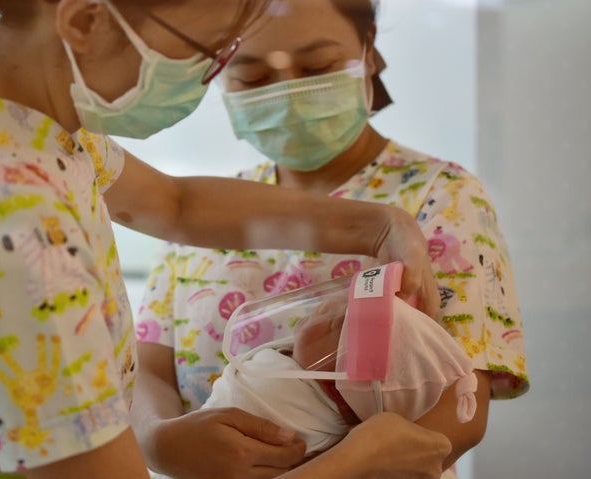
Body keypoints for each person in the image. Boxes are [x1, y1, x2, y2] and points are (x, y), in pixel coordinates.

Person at [0, 0, 452, 478]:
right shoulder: (18, 245)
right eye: (209, 54)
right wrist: (354, 464)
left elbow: (173, 204)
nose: (205, 78)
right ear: (85, 20)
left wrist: (376, 224)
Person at [132, 0, 530, 478]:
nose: (288, 93)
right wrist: (156, 439)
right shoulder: (206, 213)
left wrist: (346, 467)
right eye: (253, 78)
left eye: (317, 67)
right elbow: (149, 366)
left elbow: (461, 406)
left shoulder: (438, 197)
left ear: (369, 52)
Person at [204, 281, 478, 458]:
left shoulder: (301, 411)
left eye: (335, 323)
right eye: (334, 305)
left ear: (335, 386)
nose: (324, 307)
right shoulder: (291, 360)